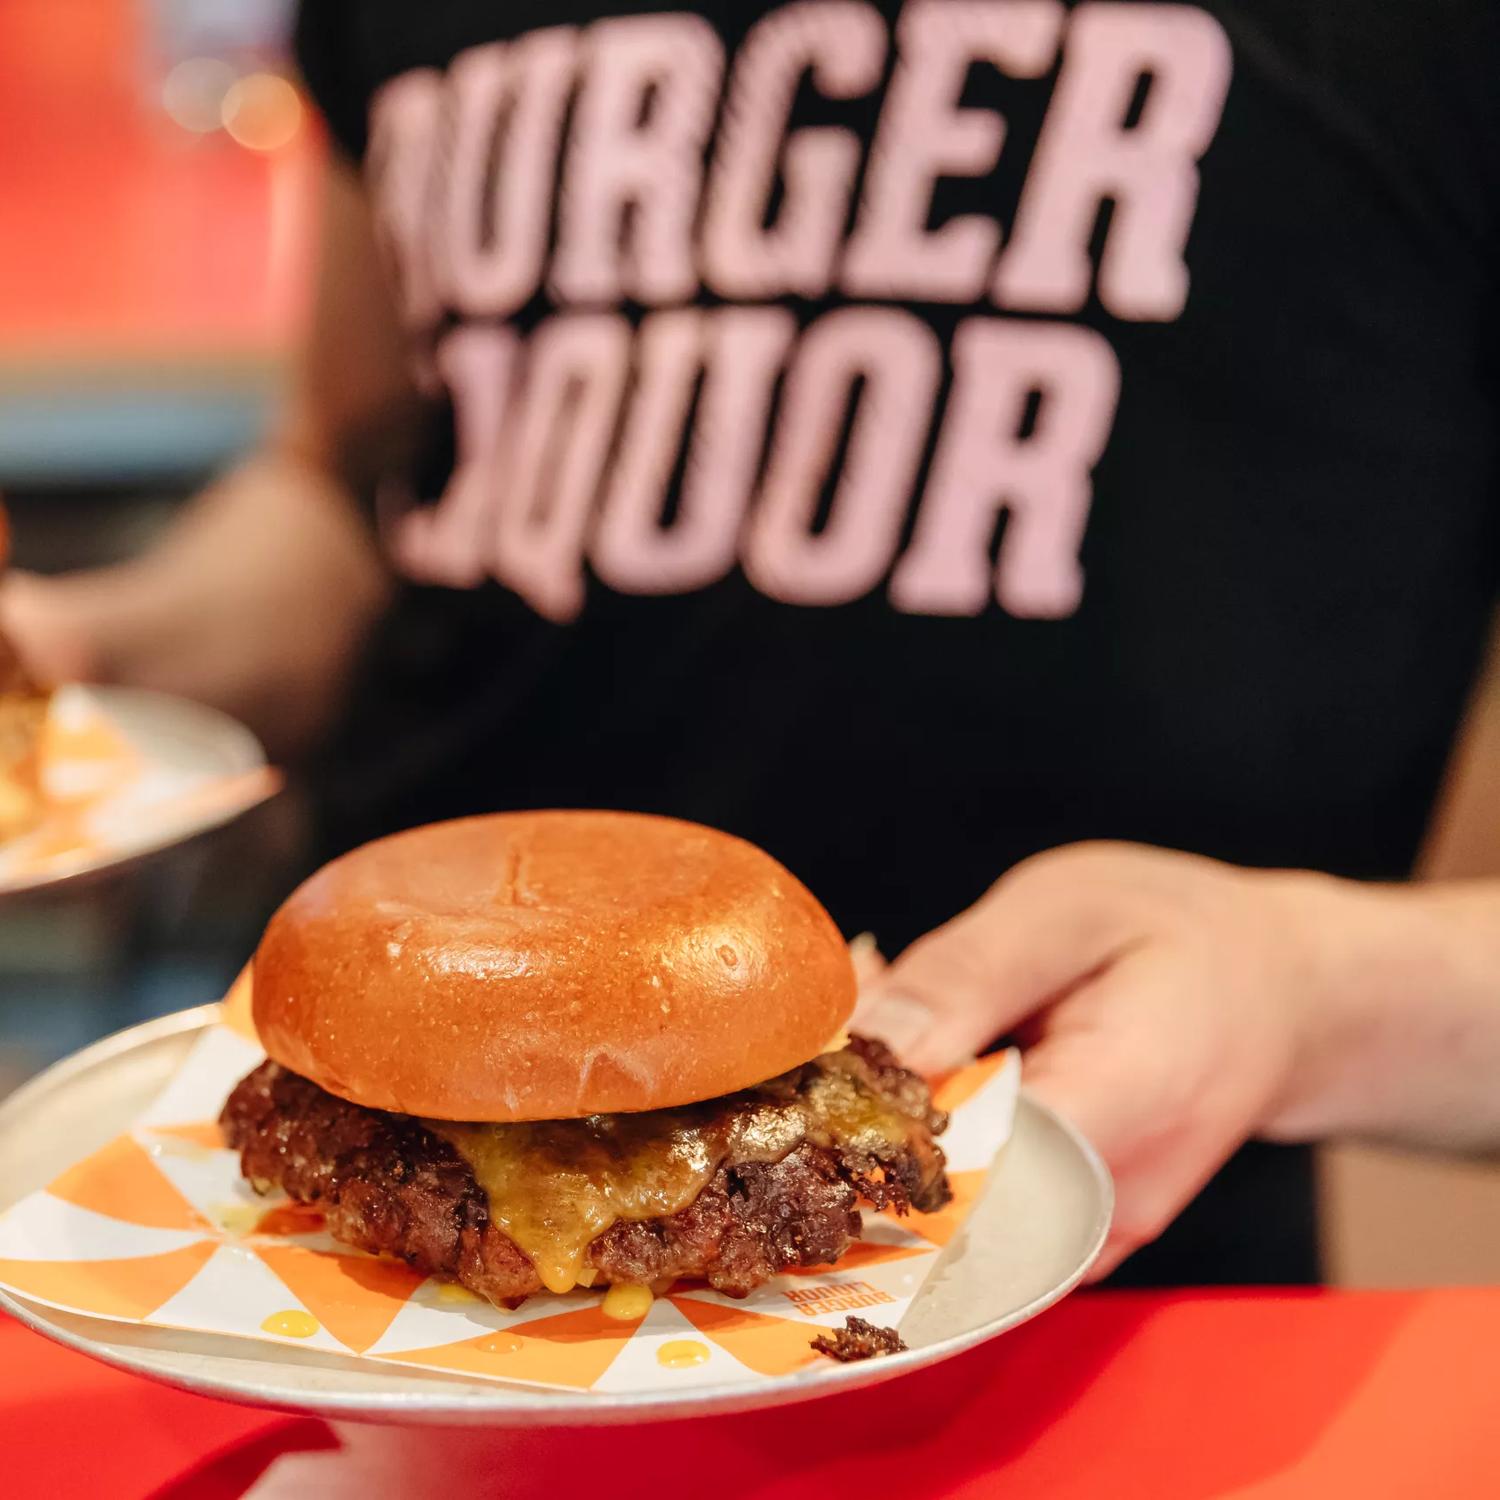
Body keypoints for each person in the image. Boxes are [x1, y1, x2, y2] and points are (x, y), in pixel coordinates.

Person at [6, 0, 1500, 1284]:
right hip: (329, 1318)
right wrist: (66, 647)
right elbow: (342, 488)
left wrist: (1311, 982)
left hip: (1079, 1304)